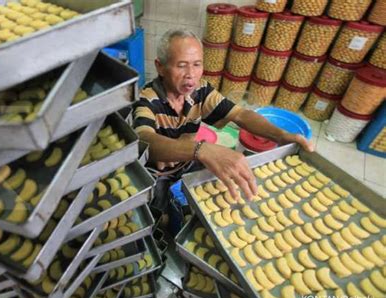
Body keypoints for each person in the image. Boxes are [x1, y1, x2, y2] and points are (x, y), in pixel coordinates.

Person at [132, 29, 313, 214]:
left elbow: (241, 115)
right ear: (160, 66)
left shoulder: (200, 91)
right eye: (181, 65)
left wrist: (282, 135)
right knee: (158, 214)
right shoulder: (147, 100)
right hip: (157, 175)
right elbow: (143, 140)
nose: (191, 74)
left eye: (197, 65)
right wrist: (201, 149)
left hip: (188, 162)